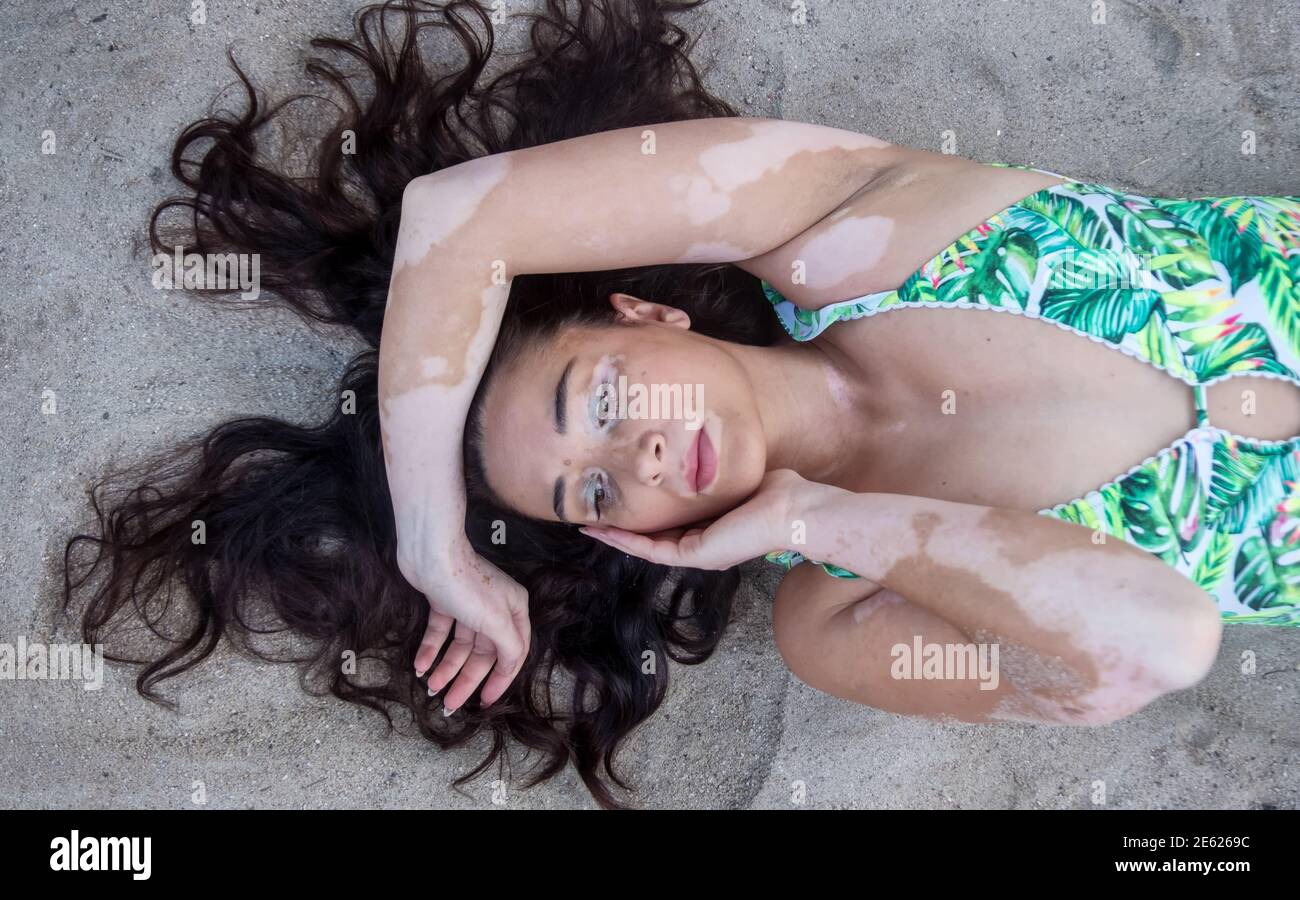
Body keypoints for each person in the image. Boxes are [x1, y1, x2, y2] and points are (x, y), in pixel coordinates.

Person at [63, 0, 1300, 810]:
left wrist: (435, 539)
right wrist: (829, 521)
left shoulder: (845, 226)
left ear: (646, 314)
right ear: (628, 535)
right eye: (596, 490)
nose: (642, 447)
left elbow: (462, 217)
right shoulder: (838, 618)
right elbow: (1158, 645)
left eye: (598, 394)